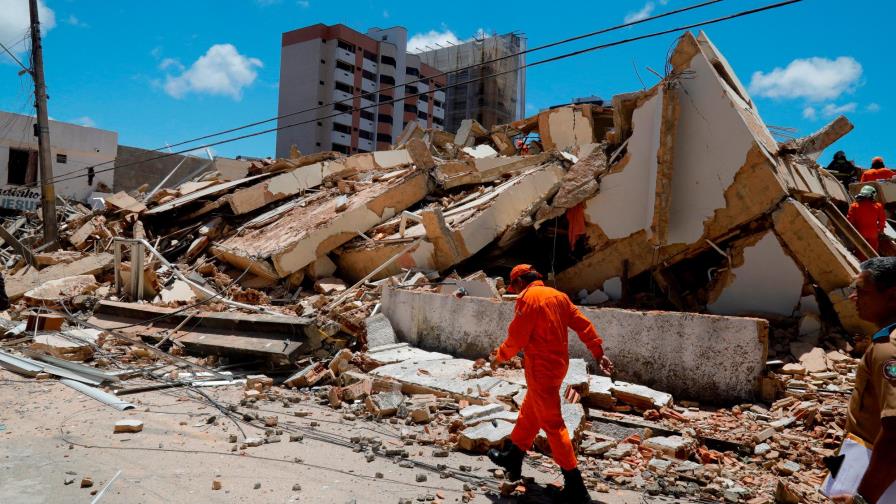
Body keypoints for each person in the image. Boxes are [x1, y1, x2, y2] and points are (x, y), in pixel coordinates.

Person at [487, 264, 613, 503]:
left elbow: (517, 337)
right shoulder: (559, 296)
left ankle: (575, 486)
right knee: (530, 412)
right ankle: (512, 457)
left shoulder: (528, 299)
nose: (515, 291)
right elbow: (583, 325)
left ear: (520, 283)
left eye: (514, 287)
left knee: (553, 426)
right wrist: (598, 352)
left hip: (541, 369)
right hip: (557, 367)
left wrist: (500, 356)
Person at [833, 257, 896, 503]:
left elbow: (894, 432)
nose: (853, 298)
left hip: (879, 482)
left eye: (862, 292)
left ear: (891, 295)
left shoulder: (889, 347)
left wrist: (863, 498)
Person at [847, 186, 887, 252]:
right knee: (872, 254)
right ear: (872, 195)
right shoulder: (878, 206)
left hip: (859, 234)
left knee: (860, 253)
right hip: (873, 235)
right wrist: (880, 231)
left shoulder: (854, 206)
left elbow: (849, 221)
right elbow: (882, 221)